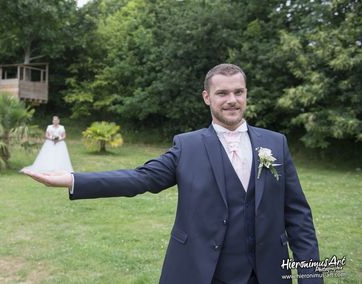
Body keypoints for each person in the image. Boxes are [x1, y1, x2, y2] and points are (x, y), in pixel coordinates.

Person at [23, 64, 322, 284]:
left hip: (267, 275)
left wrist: (312, 279)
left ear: (246, 94)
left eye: (238, 92)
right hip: (204, 273)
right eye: (222, 93)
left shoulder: (275, 143)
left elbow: (298, 217)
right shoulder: (188, 146)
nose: (232, 100)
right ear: (207, 97)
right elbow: (140, 178)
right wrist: (74, 179)